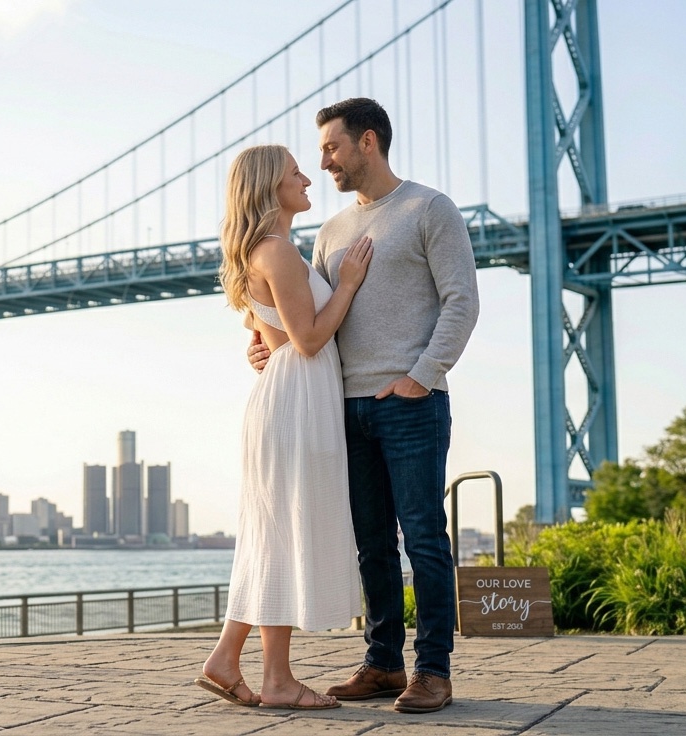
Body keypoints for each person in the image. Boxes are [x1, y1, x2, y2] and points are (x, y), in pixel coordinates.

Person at [248, 98, 479, 713]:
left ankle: (432, 671)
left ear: (367, 141)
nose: (322, 162)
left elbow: (462, 302)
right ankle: (381, 663)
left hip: (410, 404)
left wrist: (422, 377)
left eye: (331, 148)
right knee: (370, 543)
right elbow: (310, 316)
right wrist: (263, 342)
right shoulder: (329, 233)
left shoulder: (430, 209)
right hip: (341, 408)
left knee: (424, 538)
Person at [196, 143, 373, 710]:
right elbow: (309, 339)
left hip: (293, 399)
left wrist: (258, 341)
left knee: (276, 536)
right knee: (280, 535)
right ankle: (273, 679)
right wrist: (346, 283)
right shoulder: (274, 250)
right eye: (297, 171)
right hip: (295, 406)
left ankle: (232, 662)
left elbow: (266, 329)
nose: (308, 178)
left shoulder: (271, 251)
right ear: (271, 185)